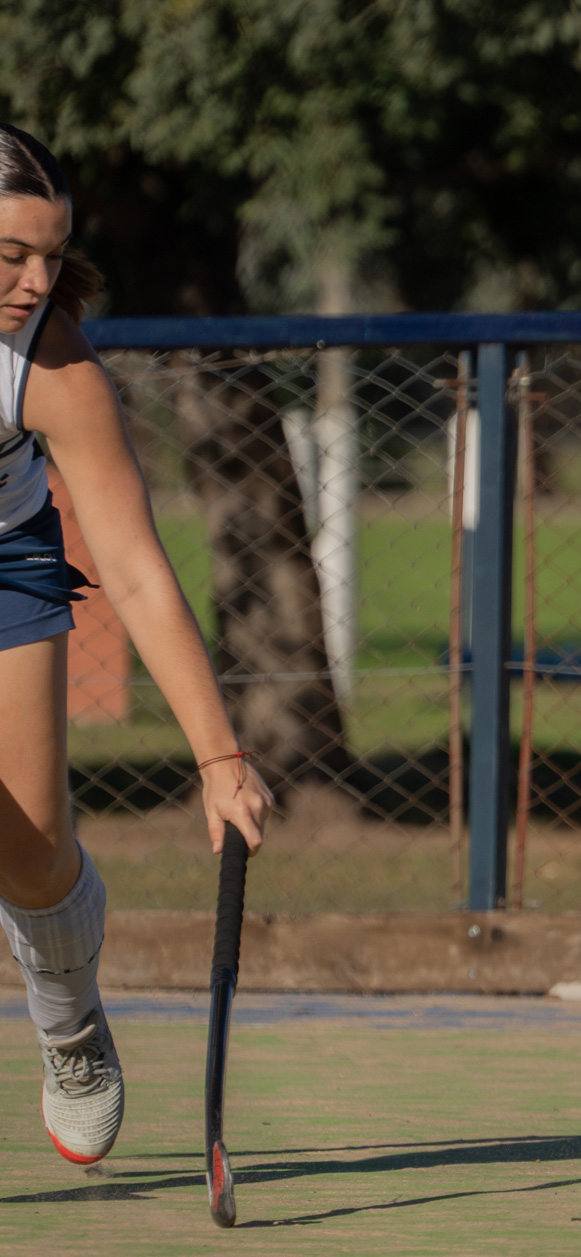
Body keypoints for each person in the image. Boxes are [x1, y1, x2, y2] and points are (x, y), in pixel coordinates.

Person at [0, 123, 272, 1165]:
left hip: (6, 559)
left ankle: (68, 1024)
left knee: (26, 848)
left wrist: (218, 759)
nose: (37, 281)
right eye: (11, 257)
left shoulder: (52, 362)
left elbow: (140, 569)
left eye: (53, 254)